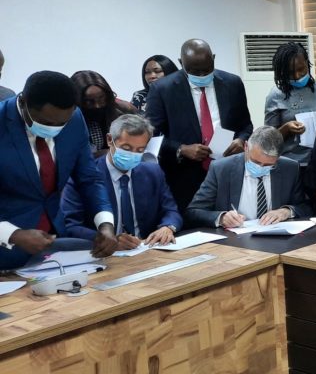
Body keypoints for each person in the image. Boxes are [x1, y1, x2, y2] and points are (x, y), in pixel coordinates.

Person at [0, 71, 118, 270]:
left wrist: (105, 224)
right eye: (47, 123)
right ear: (24, 103)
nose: (55, 129)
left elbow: (89, 179)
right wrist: (14, 234)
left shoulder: (74, 117)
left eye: (62, 123)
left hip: (53, 248)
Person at [146, 39, 254, 212]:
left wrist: (241, 140)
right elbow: (151, 136)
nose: (202, 75)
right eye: (195, 71)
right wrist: (181, 149)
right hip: (185, 177)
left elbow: (246, 125)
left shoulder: (232, 83)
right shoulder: (162, 89)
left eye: (207, 70)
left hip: (227, 170)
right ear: (181, 63)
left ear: (213, 58)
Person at [61, 114, 182, 249]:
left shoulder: (153, 172)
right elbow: (70, 226)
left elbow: (171, 211)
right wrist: (107, 239)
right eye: (126, 148)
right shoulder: (83, 177)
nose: (132, 154)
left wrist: (168, 227)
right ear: (109, 140)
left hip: (145, 248)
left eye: (140, 150)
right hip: (102, 253)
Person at [186, 126, 311, 228]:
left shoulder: (290, 168)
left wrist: (286, 211)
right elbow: (193, 212)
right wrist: (222, 217)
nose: (261, 167)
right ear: (246, 147)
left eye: (268, 164)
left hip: (277, 238)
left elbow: (305, 207)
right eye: (255, 161)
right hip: (235, 241)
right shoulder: (221, 169)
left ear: (278, 157)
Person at [264, 42, 316, 166]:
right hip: (291, 165)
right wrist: (286, 128)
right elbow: (268, 141)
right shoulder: (275, 95)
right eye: (290, 73)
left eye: (301, 69)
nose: (297, 76)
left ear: (307, 63)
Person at [71, 70, 138, 157]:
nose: (97, 105)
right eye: (89, 101)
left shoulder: (122, 111)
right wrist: (101, 154)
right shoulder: (69, 119)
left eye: (101, 98)